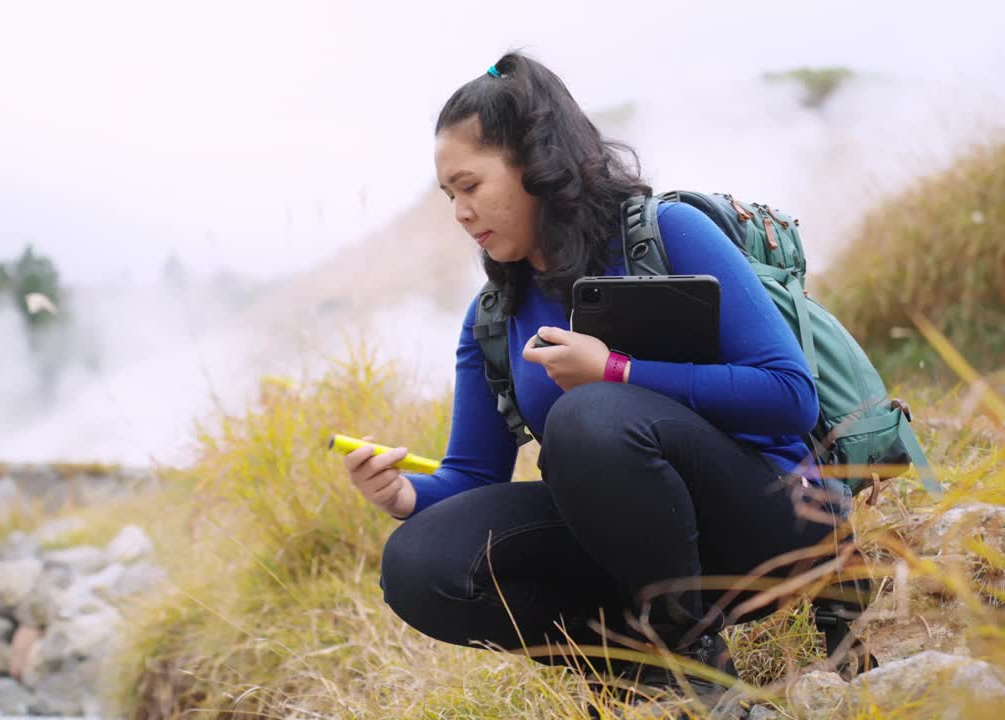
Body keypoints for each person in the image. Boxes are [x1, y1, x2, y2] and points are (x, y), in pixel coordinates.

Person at [341, 52, 844, 701]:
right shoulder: (494, 316)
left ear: (536, 162)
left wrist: (615, 370)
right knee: (419, 563)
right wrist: (403, 498)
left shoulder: (668, 234)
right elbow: (473, 477)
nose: (461, 212)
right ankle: (639, 666)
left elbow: (790, 397)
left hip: (774, 520)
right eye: (449, 195)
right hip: (638, 549)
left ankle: (700, 675)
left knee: (590, 417)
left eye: (470, 185)